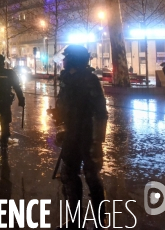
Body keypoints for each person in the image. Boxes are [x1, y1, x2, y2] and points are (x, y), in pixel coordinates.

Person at [52, 45, 108, 229]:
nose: (64, 60)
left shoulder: (89, 80)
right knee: (69, 174)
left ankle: (100, 220)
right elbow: (65, 103)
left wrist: (97, 141)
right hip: (71, 134)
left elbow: (100, 113)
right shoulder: (66, 77)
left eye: (67, 57)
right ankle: (75, 219)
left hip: (88, 134)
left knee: (91, 175)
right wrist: (58, 113)